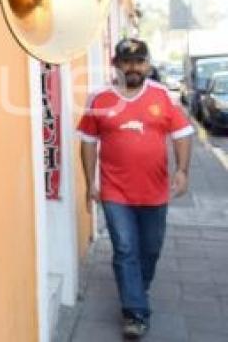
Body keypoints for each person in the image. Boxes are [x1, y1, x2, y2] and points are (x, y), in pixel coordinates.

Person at [78, 37, 192, 340]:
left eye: (139, 61)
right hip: (115, 192)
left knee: (150, 249)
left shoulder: (163, 96)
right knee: (125, 249)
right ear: (115, 64)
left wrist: (182, 170)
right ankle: (135, 312)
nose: (133, 67)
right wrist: (91, 183)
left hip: (155, 192)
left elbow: (182, 133)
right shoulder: (98, 98)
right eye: (126, 61)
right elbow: (88, 144)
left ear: (148, 64)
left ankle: (137, 288)